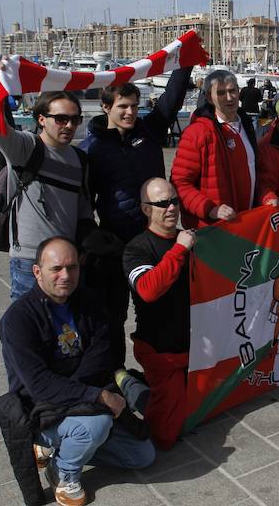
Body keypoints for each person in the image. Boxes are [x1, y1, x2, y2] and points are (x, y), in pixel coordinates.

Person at [0, 237, 154, 506]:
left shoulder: (88, 301)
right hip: (43, 409)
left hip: (79, 398)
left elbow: (101, 355)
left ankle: (61, 449)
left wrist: (80, 392)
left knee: (143, 455)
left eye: (72, 268)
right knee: (97, 423)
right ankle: (64, 473)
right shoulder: (18, 320)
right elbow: (39, 385)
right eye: (56, 269)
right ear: (37, 272)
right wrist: (97, 397)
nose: (65, 276)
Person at [80, 71, 190, 368]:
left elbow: (171, 100)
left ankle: (159, 370)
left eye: (133, 106)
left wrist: (186, 63)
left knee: (159, 306)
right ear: (106, 108)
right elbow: (84, 200)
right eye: (122, 107)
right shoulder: (91, 149)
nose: (130, 112)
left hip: (155, 237)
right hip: (117, 243)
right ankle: (117, 374)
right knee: (113, 314)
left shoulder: (149, 130)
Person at [0, 73, 94, 299]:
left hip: (68, 259)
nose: (69, 125)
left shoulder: (80, 159)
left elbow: (82, 207)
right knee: (29, 326)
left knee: (66, 328)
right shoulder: (26, 146)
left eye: (75, 119)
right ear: (41, 119)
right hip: (30, 260)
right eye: (60, 119)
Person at [120, 178, 194, 450]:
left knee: (200, 412)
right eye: (161, 203)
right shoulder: (136, 249)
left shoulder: (187, 239)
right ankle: (129, 383)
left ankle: (147, 388)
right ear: (145, 209)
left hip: (194, 348)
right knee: (164, 438)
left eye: (174, 200)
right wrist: (179, 250)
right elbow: (148, 290)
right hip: (161, 351)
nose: (171, 207)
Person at [171, 69, 257, 229]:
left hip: (248, 223)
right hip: (214, 228)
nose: (229, 97)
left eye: (232, 91)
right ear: (210, 97)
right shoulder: (197, 133)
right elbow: (179, 183)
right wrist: (210, 209)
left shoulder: (246, 125)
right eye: (221, 93)